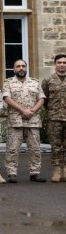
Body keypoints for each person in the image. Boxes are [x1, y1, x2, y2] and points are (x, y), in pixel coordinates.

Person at [2, 59, 46, 183]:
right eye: (18, 66)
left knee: (35, 148)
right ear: (14, 69)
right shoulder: (8, 82)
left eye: (23, 66)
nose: (21, 68)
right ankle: (11, 173)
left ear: (26, 68)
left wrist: (31, 111)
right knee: (12, 149)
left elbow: (41, 99)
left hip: (33, 121)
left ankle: (35, 173)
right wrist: (23, 110)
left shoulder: (35, 82)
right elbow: (7, 98)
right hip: (16, 120)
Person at [42, 54, 66, 182]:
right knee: (55, 145)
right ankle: (56, 170)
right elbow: (44, 99)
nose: (62, 65)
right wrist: (52, 110)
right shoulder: (48, 80)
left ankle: (65, 170)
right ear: (55, 64)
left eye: (64, 62)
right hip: (54, 118)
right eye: (59, 62)